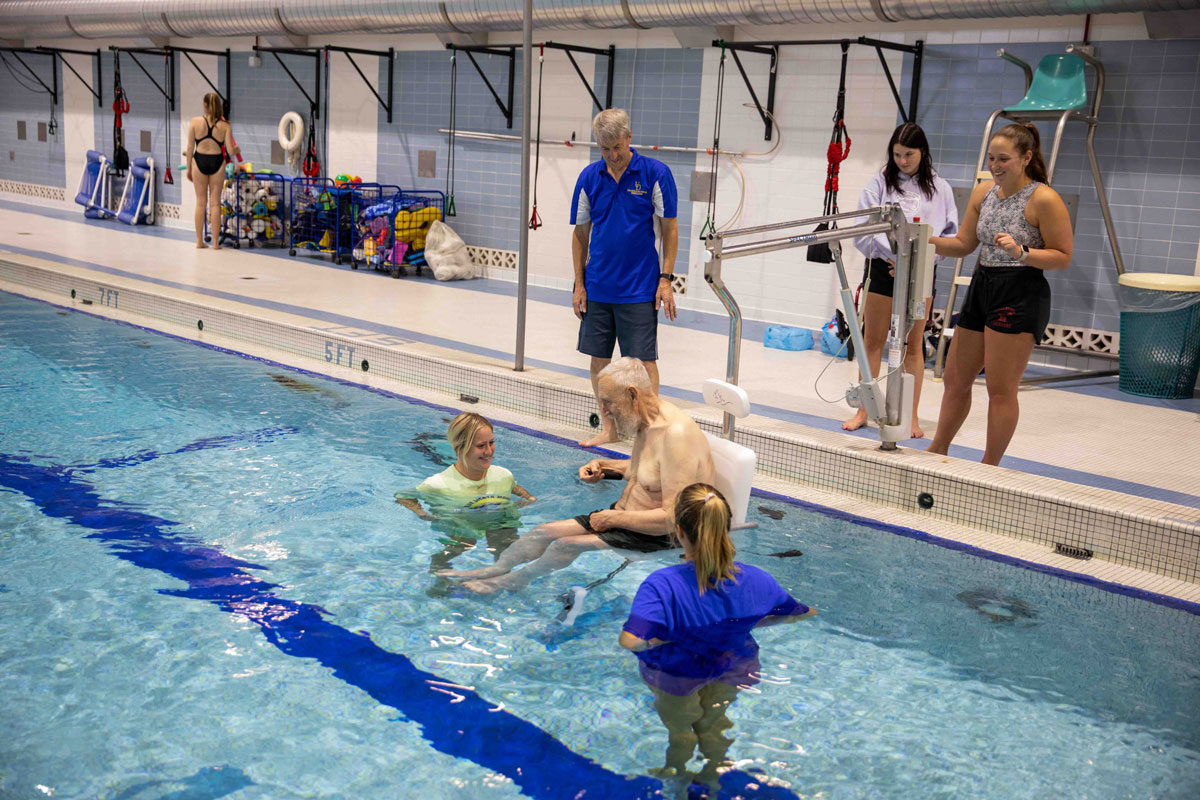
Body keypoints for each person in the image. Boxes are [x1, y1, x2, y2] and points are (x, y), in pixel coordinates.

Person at [438, 358, 713, 594]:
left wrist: (613, 518)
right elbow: (646, 472)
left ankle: (511, 581)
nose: (603, 411)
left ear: (631, 394)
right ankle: (495, 568)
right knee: (542, 531)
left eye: (607, 403)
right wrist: (604, 465)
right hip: (625, 519)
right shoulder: (646, 420)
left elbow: (676, 518)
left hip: (659, 534)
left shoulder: (676, 435)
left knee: (564, 545)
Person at [619, 483, 816, 788]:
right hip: (734, 662)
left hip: (677, 672)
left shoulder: (662, 585)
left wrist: (668, 638)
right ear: (726, 526)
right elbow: (801, 613)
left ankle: (677, 780)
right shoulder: (758, 579)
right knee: (716, 725)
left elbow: (631, 641)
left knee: (681, 731)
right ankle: (713, 780)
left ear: (680, 530)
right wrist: (748, 624)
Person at [928, 123, 1073, 465]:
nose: (995, 165)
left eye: (1003, 159)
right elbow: (964, 244)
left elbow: (1063, 256)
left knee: (1000, 389)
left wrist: (1023, 252)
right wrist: (923, 239)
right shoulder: (983, 193)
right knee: (955, 378)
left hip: (1020, 291)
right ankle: (937, 450)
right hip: (983, 286)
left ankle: (989, 466)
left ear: (1026, 158)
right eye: (991, 158)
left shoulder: (1044, 199)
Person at [571, 109, 679, 448]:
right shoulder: (589, 177)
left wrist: (665, 280)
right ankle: (610, 429)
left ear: (629, 137)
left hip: (639, 287)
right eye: (605, 150)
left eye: (617, 147)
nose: (613, 156)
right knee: (599, 361)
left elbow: (670, 229)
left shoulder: (654, 174)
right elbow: (580, 234)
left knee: (644, 363)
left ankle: (650, 432)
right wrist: (579, 283)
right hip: (599, 284)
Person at [844, 122, 959, 440]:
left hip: (921, 271)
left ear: (923, 152)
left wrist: (917, 262)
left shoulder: (940, 188)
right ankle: (864, 409)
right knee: (873, 341)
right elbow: (862, 226)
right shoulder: (879, 182)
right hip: (883, 267)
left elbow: (948, 235)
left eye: (909, 154)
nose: (902, 161)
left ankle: (910, 416)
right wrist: (892, 257)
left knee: (913, 345)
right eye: (897, 154)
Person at [395, 412, 535, 576]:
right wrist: (422, 514)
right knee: (462, 545)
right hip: (463, 524)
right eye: (481, 446)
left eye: (491, 443)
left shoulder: (503, 474)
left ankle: (500, 581)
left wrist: (529, 499)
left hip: (498, 522)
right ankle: (440, 571)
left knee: (505, 550)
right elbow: (403, 496)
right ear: (460, 448)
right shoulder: (439, 483)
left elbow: (513, 486)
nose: (489, 451)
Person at [185, 92, 239, 250]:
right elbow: (230, 150)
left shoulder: (194, 122)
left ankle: (199, 241)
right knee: (215, 204)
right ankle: (215, 243)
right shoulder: (225, 126)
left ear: (204, 105)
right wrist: (237, 149)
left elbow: (189, 147)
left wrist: (188, 167)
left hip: (199, 161)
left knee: (201, 203)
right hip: (217, 162)